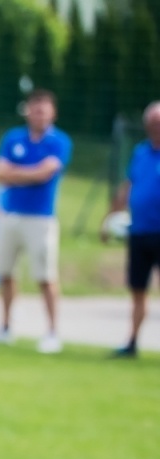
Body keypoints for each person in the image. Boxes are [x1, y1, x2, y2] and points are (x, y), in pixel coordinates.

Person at [0, 89, 72, 353]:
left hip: (40, 218)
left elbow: (45, 173)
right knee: (5, 273)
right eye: (35, 109)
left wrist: (16, 173)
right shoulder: (13, 138)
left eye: (43, 110)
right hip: (10, 214)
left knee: (45, 276)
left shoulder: (59, 141)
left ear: (52, 113)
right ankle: (5, 327)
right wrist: (28, 173)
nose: (38, 114)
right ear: (27, 111)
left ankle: (53, 332)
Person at [105, 100, 160, 358]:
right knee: (138, 289)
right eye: (151, 123)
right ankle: (132, 342)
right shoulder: (141, 152)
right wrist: (110, 218)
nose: (154, 127)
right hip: (139, 232)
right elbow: (128, 186)